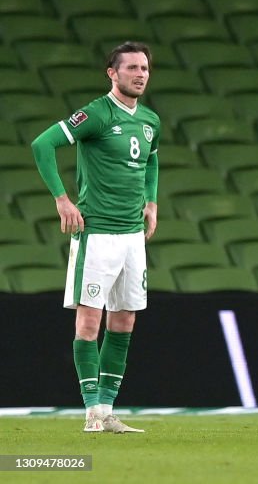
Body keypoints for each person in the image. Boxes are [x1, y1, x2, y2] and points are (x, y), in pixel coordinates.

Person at [31, 42, 160, 434]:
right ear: (112, 73)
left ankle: (107, 410)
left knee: (124, 322)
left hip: (132, 237)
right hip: (98, 234)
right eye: (132, 68)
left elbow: (151, 157)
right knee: (90, 323)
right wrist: (62, 200)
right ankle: (90, 413)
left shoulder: (150, 119)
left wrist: (151, 202)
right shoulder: (97, 114)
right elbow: (42, 144)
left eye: (145, 68)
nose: (140, 74)